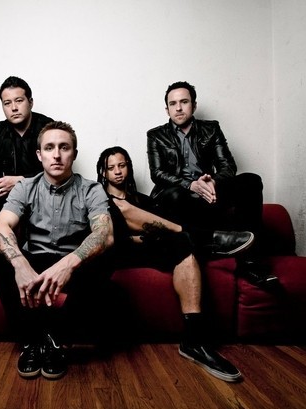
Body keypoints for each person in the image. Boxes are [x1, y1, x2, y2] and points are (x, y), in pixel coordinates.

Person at [97, 146, 245, 382]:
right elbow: (115, 235)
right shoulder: (97, 199)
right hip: (117, 252)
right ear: (103, 172)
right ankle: (207, 238)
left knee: (183, 243)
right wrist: (147, 234)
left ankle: (194, 341)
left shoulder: (144, 200)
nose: (117, 171)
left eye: (122, 165)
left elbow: (159, 230)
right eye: (110, 167)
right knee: (129, 212)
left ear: (129, 168)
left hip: (151, 248)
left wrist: (154, 234)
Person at [0, 121, 115, 380]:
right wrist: (20, 265)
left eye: (64, 147)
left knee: (105, 256)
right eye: (49, 148)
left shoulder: (91, 189)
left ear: (74, 154)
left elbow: (104, 234)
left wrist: (69, 263)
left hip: (73, 263)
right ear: (39, 155)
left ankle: (56, 338)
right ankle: (31, 340)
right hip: (35, 260)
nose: (56, 155)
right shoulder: (25, 187)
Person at [147, 81, 278, 289]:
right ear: (167, 109)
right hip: (178, 198)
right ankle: (207, 244)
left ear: (194, 105)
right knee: (174, 195)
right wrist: (191, 185)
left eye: (184, 102)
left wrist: (212, 182)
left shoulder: (211, 129)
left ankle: (251, 263)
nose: (178, 108)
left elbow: (228, 166)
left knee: (252, 180)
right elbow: (158, 174)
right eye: (173, 104)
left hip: (209, 194)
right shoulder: (156, 135)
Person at [0, 76, 54, 223]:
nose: (13, 108)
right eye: (7, 103)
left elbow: (57, 174)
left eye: (19, 101)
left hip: (44, 197)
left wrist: (21, 181)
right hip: (11, 201)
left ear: (30, 102)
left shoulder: (48, 127)